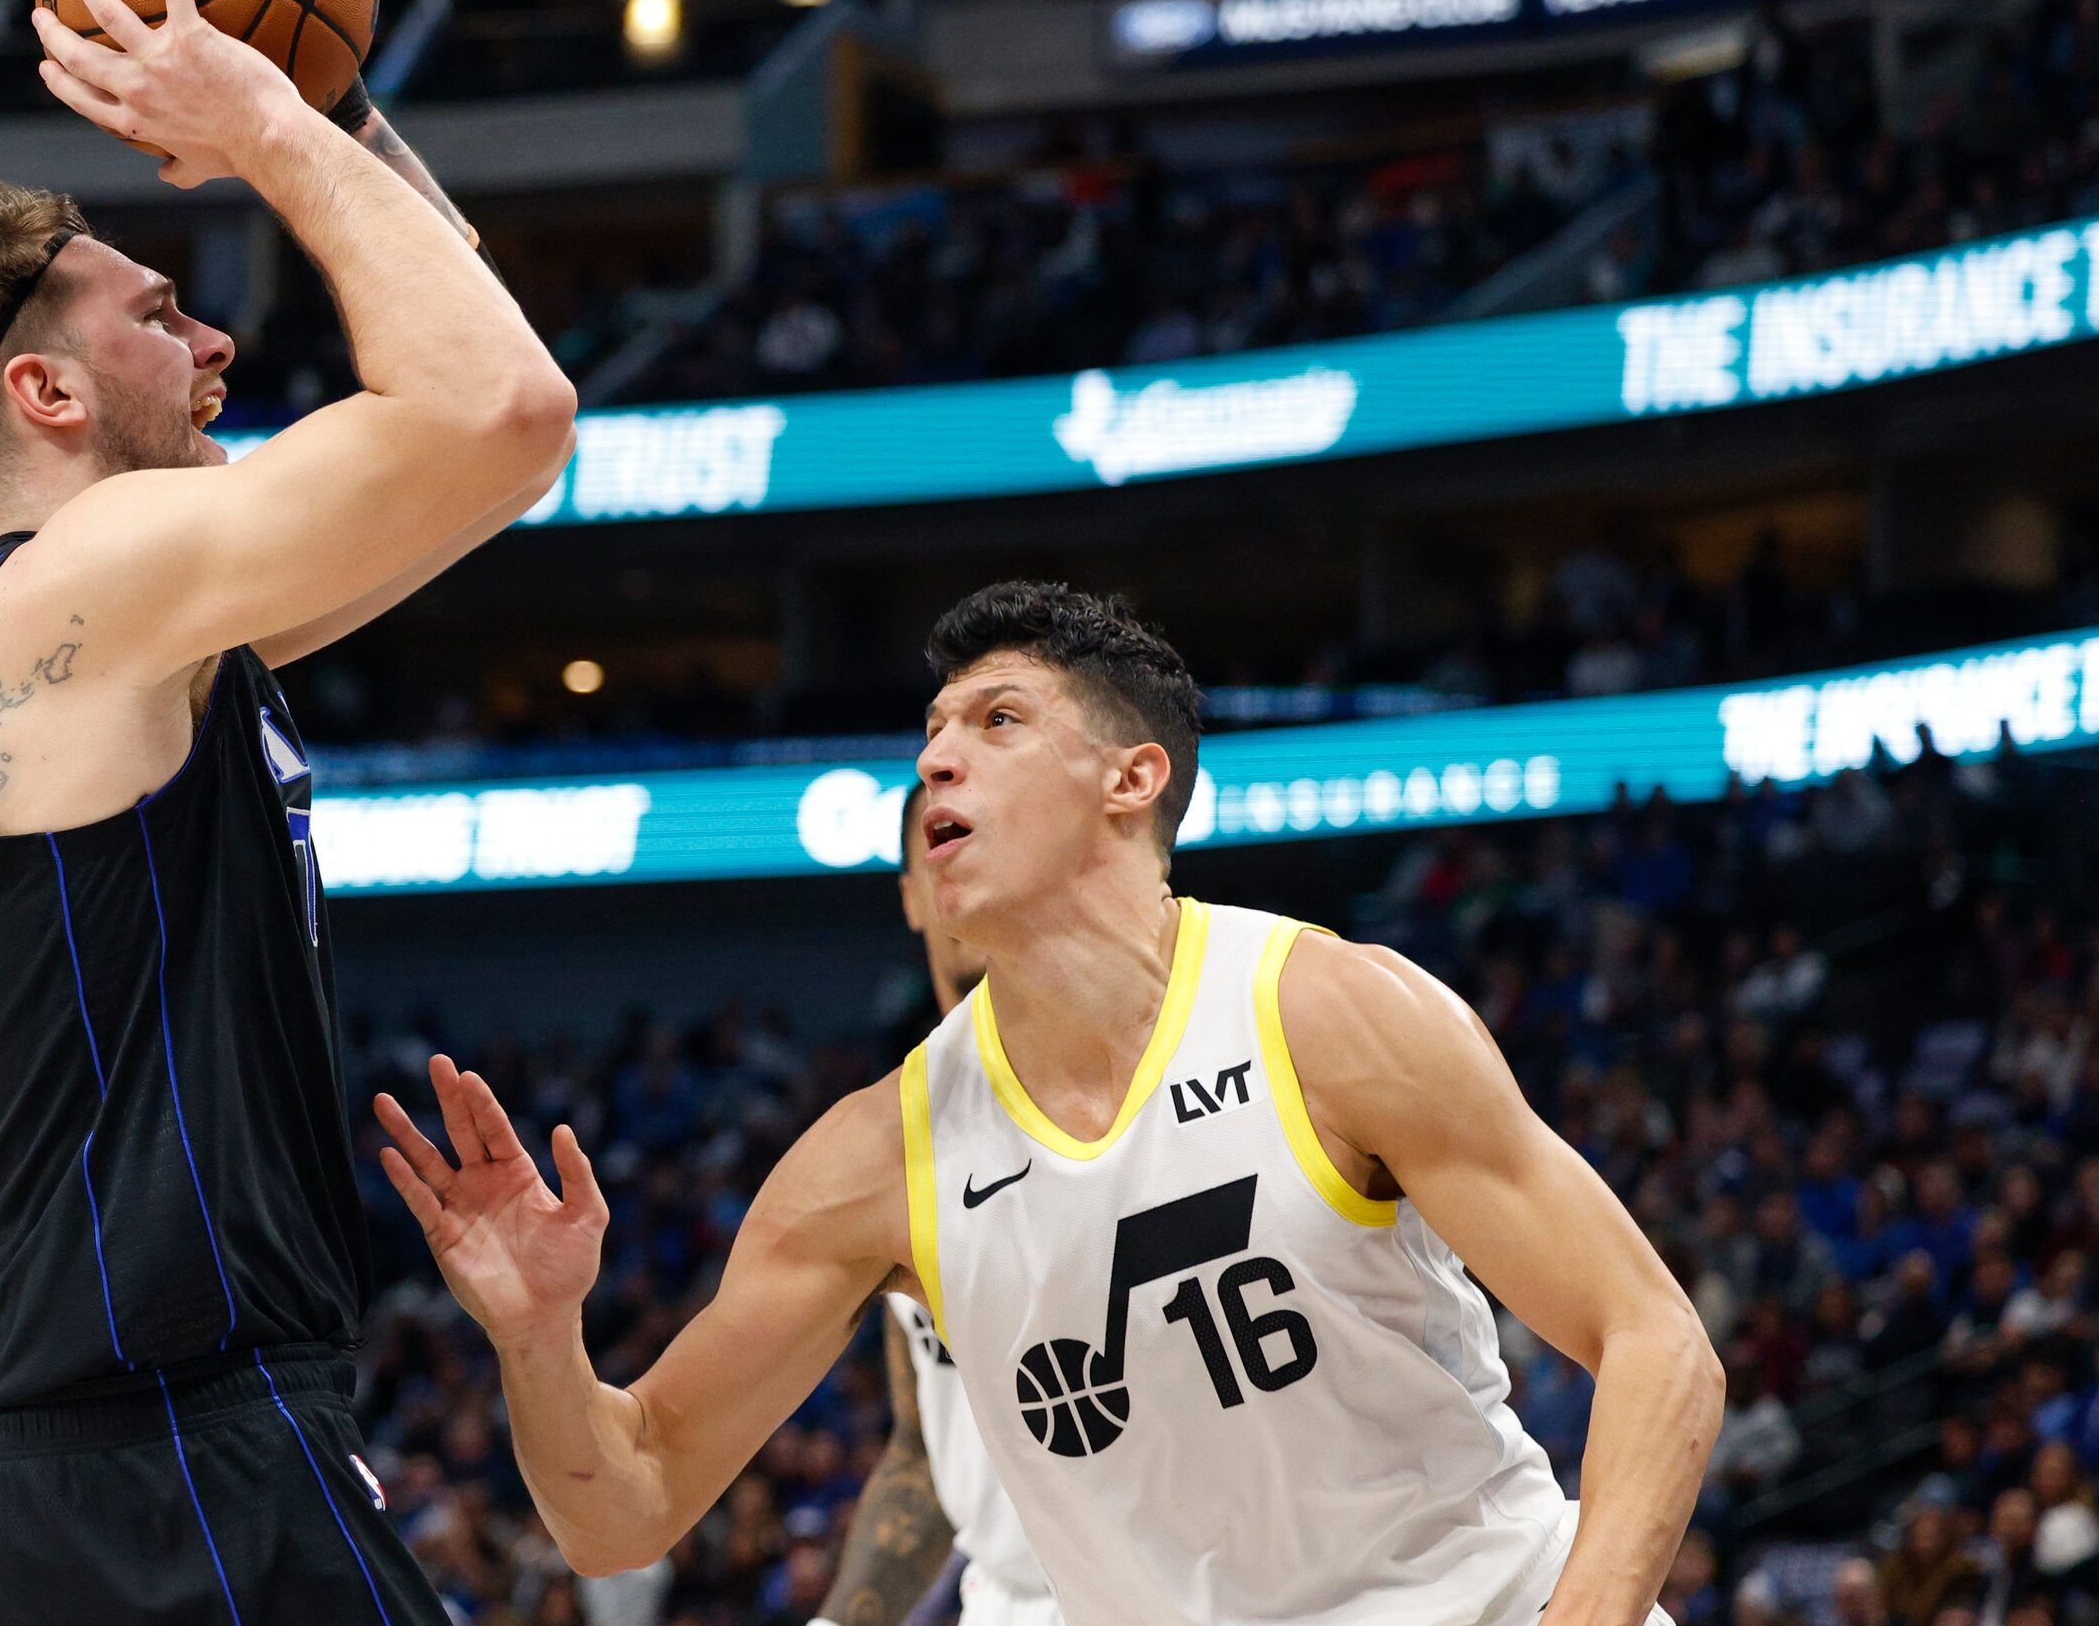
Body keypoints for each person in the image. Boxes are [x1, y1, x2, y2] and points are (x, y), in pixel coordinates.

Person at [376, 582, 1721, 1626]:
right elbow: (628, 1508)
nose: (937, 763)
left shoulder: (1327, 1011)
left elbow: (1657, 1340)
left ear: (1131, 778)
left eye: (997, 722)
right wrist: (541, 1337)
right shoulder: (875, 1155)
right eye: (931, 736)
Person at [0, 0, 574, 1626]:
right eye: (162, 314)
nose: (220, 341)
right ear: (45, 389)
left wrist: (331, 105)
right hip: (157, 1461)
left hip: (109, 1461)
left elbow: (492, 459)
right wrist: (259, 122)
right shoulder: (70, 596)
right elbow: (508, 409)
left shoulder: (125, 640)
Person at [818, 785, 1056, 1626]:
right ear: (912, 894)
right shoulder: (893, 1145)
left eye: (985, 836)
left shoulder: (1149, 1082)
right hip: (1008, 1604)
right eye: (940, 841)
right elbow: (926, 1454)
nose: (961, 861)